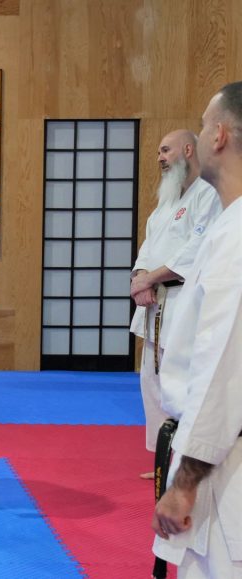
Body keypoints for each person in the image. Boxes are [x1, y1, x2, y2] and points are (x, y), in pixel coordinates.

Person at [152, 82, 242, 577]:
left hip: (223, 467)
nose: (201, 134)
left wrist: (185, 481)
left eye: (205, 125)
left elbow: (223, 368)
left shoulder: (236, 237)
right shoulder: (228, 225)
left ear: (220, 136)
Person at [129, 130, 221, 480]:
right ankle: (162, 457)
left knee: (180, 380)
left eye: (165, 150)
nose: (160, 158)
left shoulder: (208, 194)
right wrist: (140, 277)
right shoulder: (167, 202)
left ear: (187, 149)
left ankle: (186, 458)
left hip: (184, 298)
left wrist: (150, 278)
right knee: (152, 380)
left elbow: (197, 249)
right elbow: (148, 246)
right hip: (155, 301)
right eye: (158, 152)